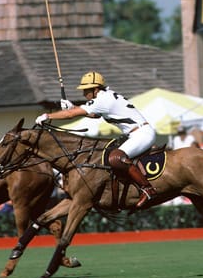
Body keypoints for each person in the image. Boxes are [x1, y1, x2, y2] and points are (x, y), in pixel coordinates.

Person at [35, 71, 157, 208]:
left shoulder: (102, 99)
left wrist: (48, 116)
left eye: (86, 90)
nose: (83, 94)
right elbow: (95, 115)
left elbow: (70, 115)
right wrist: (73, 107)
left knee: (115, 157)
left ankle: (147, 189)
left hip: (142, 133)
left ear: (96, 89)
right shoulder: (105, 96)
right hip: (136, 133)